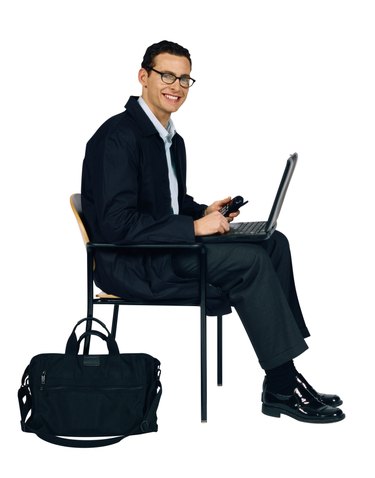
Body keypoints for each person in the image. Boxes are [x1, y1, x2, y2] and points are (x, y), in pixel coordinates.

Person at [81, 40, 345, 423]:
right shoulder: (117, 138)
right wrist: (192, 227)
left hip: (163, 249)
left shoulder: (170, 138)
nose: (177, 86)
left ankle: (283, 374)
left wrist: (203, 211)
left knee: (273, 243)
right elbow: (117, 224)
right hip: (134, 263)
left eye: (185, 78)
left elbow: (164, 203)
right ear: (144, 77)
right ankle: (283, 385)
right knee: (251, 261)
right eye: (167, 75)